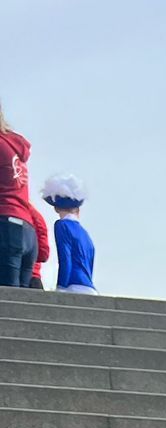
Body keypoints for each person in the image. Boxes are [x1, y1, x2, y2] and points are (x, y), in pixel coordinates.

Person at [0, 102, 39, 287]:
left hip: (7, 227)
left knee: (6, 296)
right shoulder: (14, 146)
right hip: (27, 229)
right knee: (21, 298)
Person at [41, 175, 95, 291]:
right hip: (89, 287)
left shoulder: (62, 225)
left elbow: (65, 258)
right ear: (78, 209)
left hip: (72, 285)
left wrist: (61, 286)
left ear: (56, 208)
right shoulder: (85, 234)